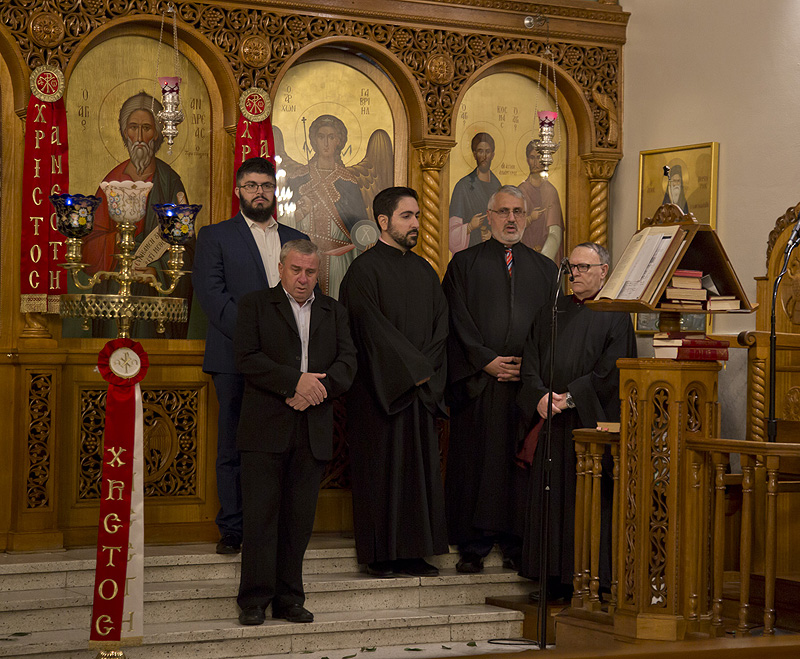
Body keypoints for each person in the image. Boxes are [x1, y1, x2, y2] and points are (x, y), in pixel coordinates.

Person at [234, 239, 356, 626]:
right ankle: (254, 600)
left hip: (312, 427)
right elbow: (247, 358)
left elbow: (348, 361)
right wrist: (295, 383)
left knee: (298, 522)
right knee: (260, 518)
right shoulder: (255, 305)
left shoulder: (333, 311)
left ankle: (290, 599)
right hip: (265, 427)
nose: (303, 278)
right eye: (296, 270)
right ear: (281, 268)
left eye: (310, 272)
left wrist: (314, 390)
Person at [193, 157, 308, 555]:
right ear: (238, 192)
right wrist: (254, 343)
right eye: (251, 186)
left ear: (275, 191)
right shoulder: (214, 236)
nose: (260, 192)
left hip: (287, 366)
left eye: (266, 186)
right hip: (233, 360)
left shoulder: (295, 236)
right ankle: (233, 527)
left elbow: (307, 297)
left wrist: (284, 351)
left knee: (279, 446)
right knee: (234, 445)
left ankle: (272, 524)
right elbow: (213, 297)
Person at [442, 184, 558, 574]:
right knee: (476, 462)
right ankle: (472, 545)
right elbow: (455, 319)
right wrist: (485, 360)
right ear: (488, 217)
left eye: (518, 212)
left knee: (518, 464)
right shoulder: (464, 264)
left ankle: (516, 543)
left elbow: (550, 329)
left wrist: (528, 367)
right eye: (503, 212)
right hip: (480, 383)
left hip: (525, 387)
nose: (511, 219)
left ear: (527, 218)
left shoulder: (545, 269)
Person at [517, 242, 637, 601]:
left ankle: (592, 580)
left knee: (587, 503)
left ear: (604, 270)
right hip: (551, 421)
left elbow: (611, 371)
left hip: (588, 423)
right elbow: (531, 360)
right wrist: (539, 396)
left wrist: (569, 399)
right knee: (551, 503)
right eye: (572, 267)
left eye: (585, 268)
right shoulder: (550, 311)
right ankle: (551, 577)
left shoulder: (616, 314)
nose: (577, 274)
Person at [339, 186, 449, 577]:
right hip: (380, 395)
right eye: (407, 216)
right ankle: (381, 556)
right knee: (382, 473)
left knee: (418, 474)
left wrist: (426, 373)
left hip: (419, 393)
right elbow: (371, 332)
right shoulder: (363, 272)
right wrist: (416, 371)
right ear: (384, 222)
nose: (416, 223)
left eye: (418, 215)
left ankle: (416, 552)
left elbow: (441, 329)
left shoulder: (424, 271)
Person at [82, 91, 191, 338]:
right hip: (112, 291)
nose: (140, 137)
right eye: (133, 128)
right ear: (124, 133)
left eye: (147, 128)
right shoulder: (110, 182)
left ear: (158, 134)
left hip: (153, 295)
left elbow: (186, 241)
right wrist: (117, 242)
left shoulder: (170, 181)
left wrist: (158, 270)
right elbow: (90, 242)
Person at [288, 114, 371, 299]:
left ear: (339, 141)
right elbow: (285, 221)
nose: (326, 143)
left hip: (338, 262)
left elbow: (359, 229)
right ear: (313, 141)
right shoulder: (297, 178)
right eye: (321, 136)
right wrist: (301, 211)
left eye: (331, 137)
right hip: (302, 258)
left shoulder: (348, 181)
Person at [448, 132, 501, 254]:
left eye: (487, 151)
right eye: (480, 151)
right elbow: (451, 234)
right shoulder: (463, 186)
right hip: (470, 254)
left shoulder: (498, 187)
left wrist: (492, 236)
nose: (484, 156)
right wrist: (470, 227)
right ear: (474, 154)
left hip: (493, 253)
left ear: (492, 155)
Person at [518, 142, 564, 264]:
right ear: (527, 160)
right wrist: (530, 218)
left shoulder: (550, 191)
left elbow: (554, 233)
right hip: (524, 254)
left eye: (538, 158)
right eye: (532, 157)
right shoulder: (520, 191)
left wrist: (543, 261)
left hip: (545, 257)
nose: (535, 162)